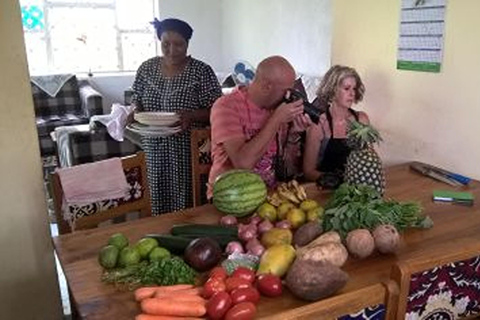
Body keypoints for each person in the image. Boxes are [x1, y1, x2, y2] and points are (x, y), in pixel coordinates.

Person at [131, 18, 222, 214]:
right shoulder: (146, 69)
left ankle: (188, 235)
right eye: (166, 44)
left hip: (187, 148)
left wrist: (192, 115)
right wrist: (135, 110)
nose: (172, 50)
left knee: (188, 198)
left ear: (188, 43)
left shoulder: (201, 71)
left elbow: (219, 111)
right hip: (154, 146)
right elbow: (135, 97)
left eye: (179, 44)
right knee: (156, 192)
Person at [207, 56, 311, 197]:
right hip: (231, 196)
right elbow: (243, 164)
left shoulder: (278, 108)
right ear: (267, 86)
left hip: (270, 195)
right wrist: (276, 120)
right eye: (286, 91)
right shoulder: (225, 106)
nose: (288, 96)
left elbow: (288, 171)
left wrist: (293, 136)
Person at [302, 65, 370, 183]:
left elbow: (368, 158)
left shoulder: (361, 119)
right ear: (333, 90)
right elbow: (308, 171)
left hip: (356, 187)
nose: (352, 94)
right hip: (325, 188)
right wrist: (336, 181)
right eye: (347, 88)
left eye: (354, 89)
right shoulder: (319, 125)